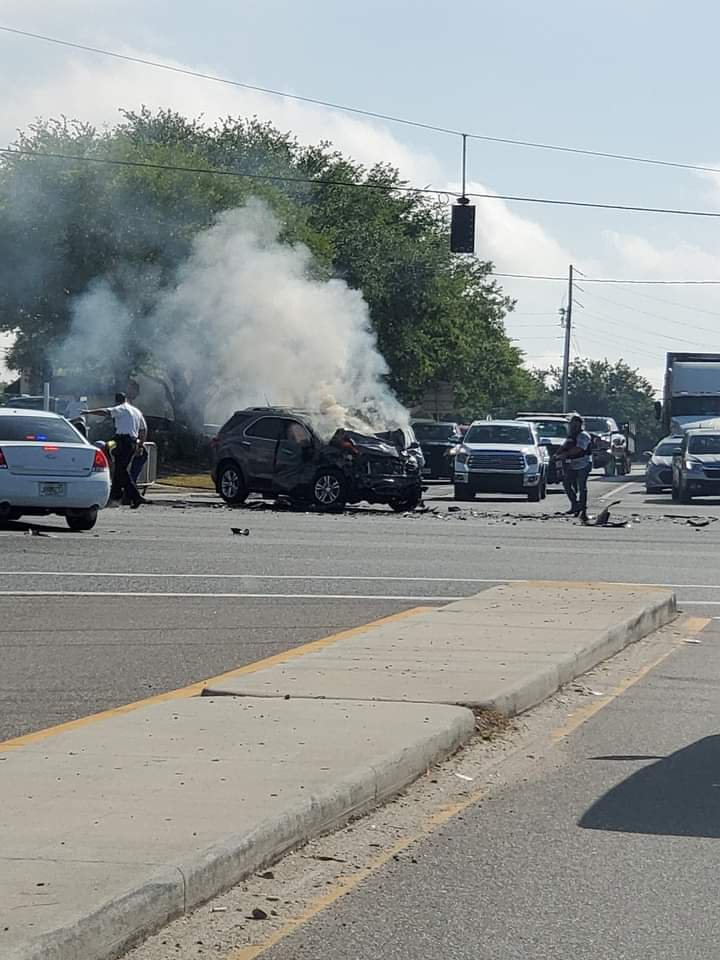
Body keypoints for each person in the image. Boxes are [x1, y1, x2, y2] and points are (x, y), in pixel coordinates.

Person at [87, 393, 147, 508]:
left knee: (120, 469)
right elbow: (144, 429)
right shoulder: (136, 411)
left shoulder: (121, 408)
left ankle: (135, 497)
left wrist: (88, 412)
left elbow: (105, 412)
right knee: (120, 469)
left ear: (117, 401)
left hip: (122, 441)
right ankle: (115, 496)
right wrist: (140, 445)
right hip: (132, 442)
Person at [555, 415, 592, 521]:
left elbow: (579, 449)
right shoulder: (571, 435)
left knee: (582, 486)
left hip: (584, 463)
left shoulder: (583, 435)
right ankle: (575, 505)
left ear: (580, 424)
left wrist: (565, 455)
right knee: (566, 483)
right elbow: (565, 445)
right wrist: (557, 454)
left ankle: (583, 509)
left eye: (575, 424)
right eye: (572, 423)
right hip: (573, 464)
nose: (573, 426)